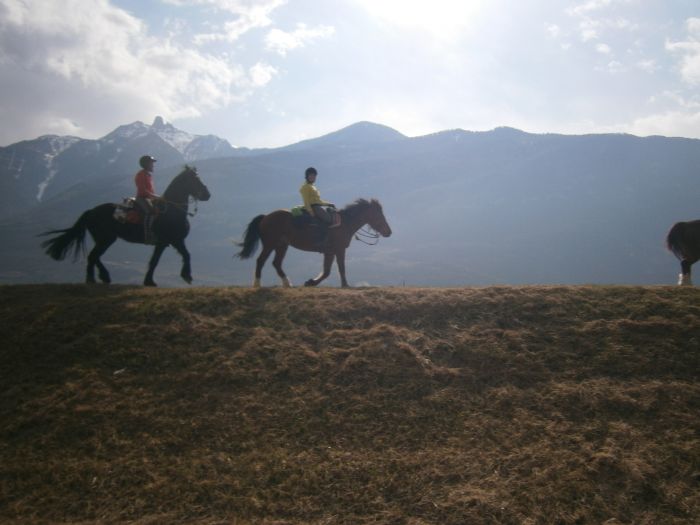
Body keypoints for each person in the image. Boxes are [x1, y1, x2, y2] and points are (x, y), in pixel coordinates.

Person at [134, 155, 159, 242]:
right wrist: (155, 196)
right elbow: (143, 190)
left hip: (149, 198)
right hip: (142, 198)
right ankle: (148, 236)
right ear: (146, 164)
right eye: (151, 163)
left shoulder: (148, 175)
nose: (153, 165)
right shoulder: (141, 175)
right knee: (150, 212)